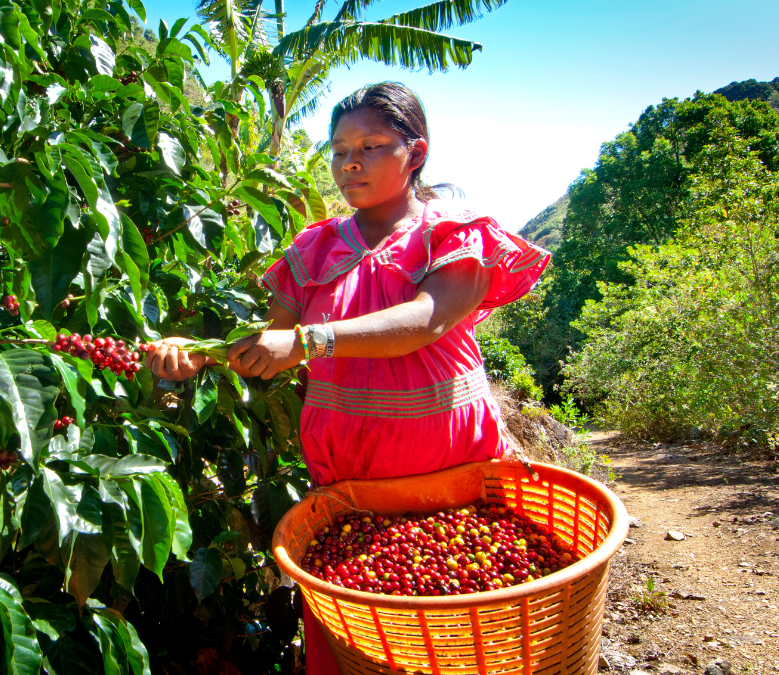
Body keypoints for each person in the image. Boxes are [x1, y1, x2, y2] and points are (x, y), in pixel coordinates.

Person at [147, 82, 550, 674]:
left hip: (450, 461)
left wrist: (311, 340)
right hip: (348, 464)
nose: (350, 162)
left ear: (416, 153)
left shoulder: (454, 235)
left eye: (371, 145)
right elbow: (270, 343)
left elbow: (426, 319)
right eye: (339, 150)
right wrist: (200, 354)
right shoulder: (314, 249)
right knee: (367, 635)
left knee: (461, 630)